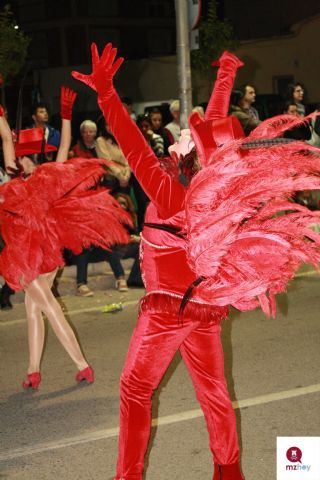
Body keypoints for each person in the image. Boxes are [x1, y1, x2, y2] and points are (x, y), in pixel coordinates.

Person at [73, 43, 320, 480]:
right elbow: (214, 125)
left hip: (169, 308)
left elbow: (131, 145)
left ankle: (127, 476)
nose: (184, 133)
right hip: (203, 310)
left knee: (135, 389)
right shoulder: (213, 191)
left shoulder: (170, 191)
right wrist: (225, 71)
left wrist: (108, 96)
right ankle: (229, 472)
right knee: (214, 394)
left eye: (187, 137)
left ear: (188, 155)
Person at [0, 88, 131, 390]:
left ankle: (82, 365)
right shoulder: (14, 178)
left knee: (48, 306)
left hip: (34, 254)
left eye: (29, 157)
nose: (28, 161)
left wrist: (68, 117)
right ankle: (34, 370)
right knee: (35, 308)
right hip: (38, 253)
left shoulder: (45, 179)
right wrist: (3, 117)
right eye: (25, 158)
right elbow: (7, 139)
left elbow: (63, 150)